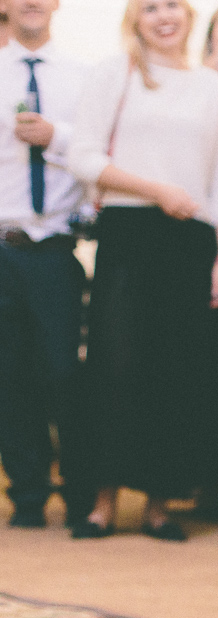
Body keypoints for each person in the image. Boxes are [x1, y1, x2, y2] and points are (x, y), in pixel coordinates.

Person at [68, 0, 218, 543]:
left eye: (173, 6)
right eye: (150, 8)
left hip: (189, 242)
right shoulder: (113, 73)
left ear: (188, 17)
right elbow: (83, 157)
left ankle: (160, 506)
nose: (164, 17)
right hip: (129, 233)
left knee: (175, 370)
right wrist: (157, 190)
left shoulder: (212, 85)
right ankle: (102, 502)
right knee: (115, 366)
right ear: (134, 19)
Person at [0, 0, 88, 530]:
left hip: (55, 247)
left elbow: (103, 147)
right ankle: (28, 495)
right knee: (8, 380)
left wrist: (58, 136)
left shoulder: (85, 78)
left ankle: (80, 493)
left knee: (64, 374)